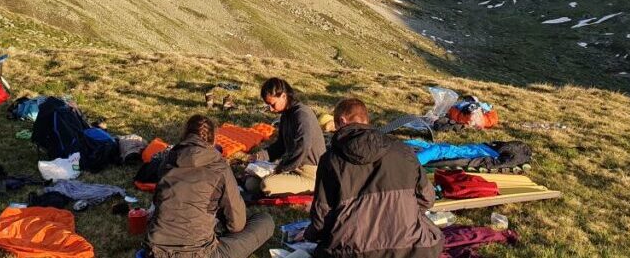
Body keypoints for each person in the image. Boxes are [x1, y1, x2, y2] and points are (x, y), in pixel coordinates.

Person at [304, 98, 444, 258]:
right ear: (366, 120)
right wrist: (400, 214)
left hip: (351, 251)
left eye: (336, 126)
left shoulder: (331, 160)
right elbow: (427, 198)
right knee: (432, 234)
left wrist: (310, 235)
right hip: (411, 248)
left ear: (342, 121)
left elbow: (322, 215)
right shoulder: (403, 150)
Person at [145, 115, 274, 258]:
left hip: (156, 251)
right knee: (264, 221)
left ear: (185, 136)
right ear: (213, 140)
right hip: (199, 253)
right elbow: (236, 225)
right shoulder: (220, 168)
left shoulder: (168, 161)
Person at [247, 78, 326, 196]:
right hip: (293, 168)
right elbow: (281, 145)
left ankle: (310, 187)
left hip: (310, 174)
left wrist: (281, 168)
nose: (271, 109)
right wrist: (260, 156)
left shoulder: (302, 114)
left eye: (273, 104)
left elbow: (303, 147)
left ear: (284, 96)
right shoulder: (286, 116)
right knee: (250, 184)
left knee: (267, 185)